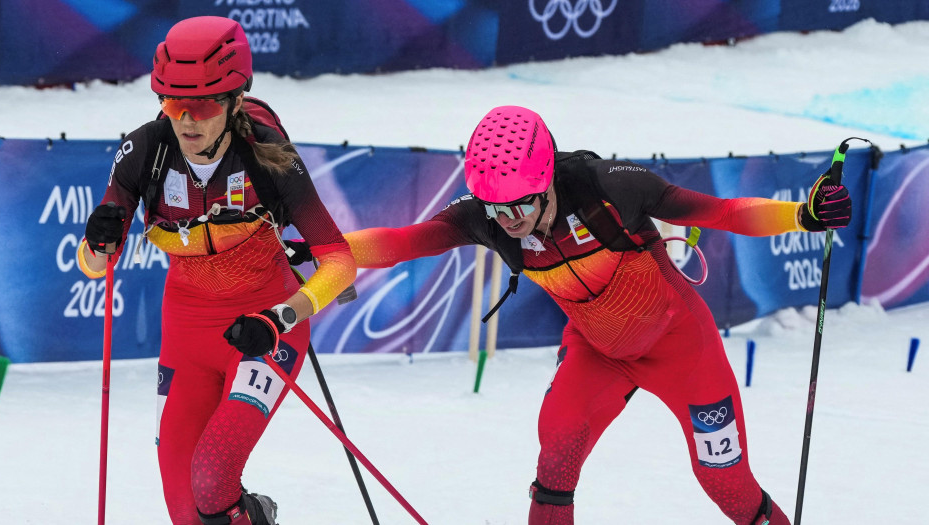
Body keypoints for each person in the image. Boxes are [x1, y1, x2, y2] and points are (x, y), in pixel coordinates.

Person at [340, 106, 852, 524]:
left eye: (519, 205)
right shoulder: (486, 217)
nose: (508, 221)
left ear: (545, 181)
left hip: (681, 346)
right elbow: (405, 242)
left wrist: (803, 215)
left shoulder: (608, 187)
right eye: (495, 208)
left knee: (726, 482)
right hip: (597, 350)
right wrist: (323, 248)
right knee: (556, 454)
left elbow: (720, 212)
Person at [78, 16, 356, 525]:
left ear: (233, 102)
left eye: (202, 105)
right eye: (172, 103)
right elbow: (97, 265)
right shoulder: (145, 151)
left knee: (213, 473)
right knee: (186, 509)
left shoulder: (269, 159)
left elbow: (339, 260)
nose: (186, 120)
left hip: (265, 328)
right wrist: (99, 241)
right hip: (186, 330)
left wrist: (282, 318)